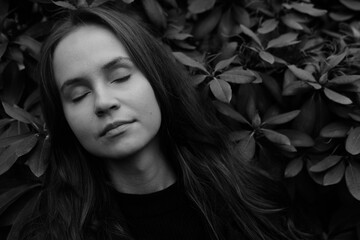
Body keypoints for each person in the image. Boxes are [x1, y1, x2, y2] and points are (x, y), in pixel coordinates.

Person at [18, 5, 308, 240]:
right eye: (78, 95)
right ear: (64, 119)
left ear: (157, 80)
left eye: (120, 77)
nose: (104, 102)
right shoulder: (55, 234)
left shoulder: (252, 200)